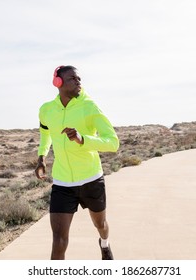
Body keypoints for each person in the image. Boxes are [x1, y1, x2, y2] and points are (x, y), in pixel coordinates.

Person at [34, 65, 119, 260]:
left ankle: (104, 243)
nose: (79, 81)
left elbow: (113, 143)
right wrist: (42, 156)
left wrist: (84, 139)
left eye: (79, 78)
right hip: (63, 182)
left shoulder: (89, 106)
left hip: (91, 179)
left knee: (101, 225)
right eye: (73, 78)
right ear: (58, 82)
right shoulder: (46, 110)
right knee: (59, 241)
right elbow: (45, 132)